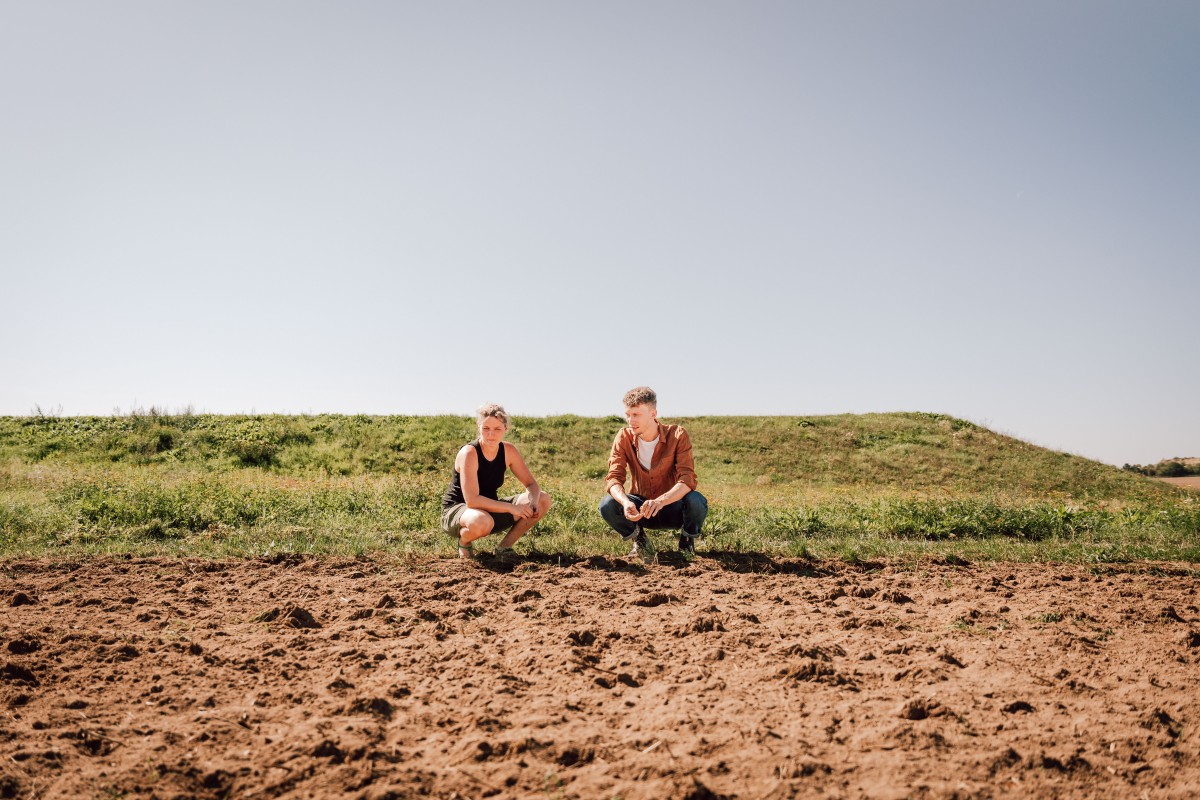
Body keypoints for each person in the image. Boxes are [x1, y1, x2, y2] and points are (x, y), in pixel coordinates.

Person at [598, 386, 708, 559]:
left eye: (636, 415)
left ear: (653, 414)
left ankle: (687, 543)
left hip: (672, 506)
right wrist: (626, 503)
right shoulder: (623, 436)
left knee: (697, 501)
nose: (630, 420)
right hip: (640, 509)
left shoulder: (678, 435)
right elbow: (613, 478)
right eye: (627, 414)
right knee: (608, 504)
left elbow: (687, 479)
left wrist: (661, 501)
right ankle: (640, 541)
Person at [442, 404, 552, 559]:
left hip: (488, 510)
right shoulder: (469, 452)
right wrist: (512, 508)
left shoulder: (508, 450)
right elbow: (472, 501)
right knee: (481, 520)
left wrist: (533, 502)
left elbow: (531, 484)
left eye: (497, 429)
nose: (491, 434)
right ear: (479, 427)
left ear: (505, 429)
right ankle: (464, 541)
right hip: (460, 511)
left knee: (543, 499)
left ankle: (504, 548)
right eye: (486, 428)